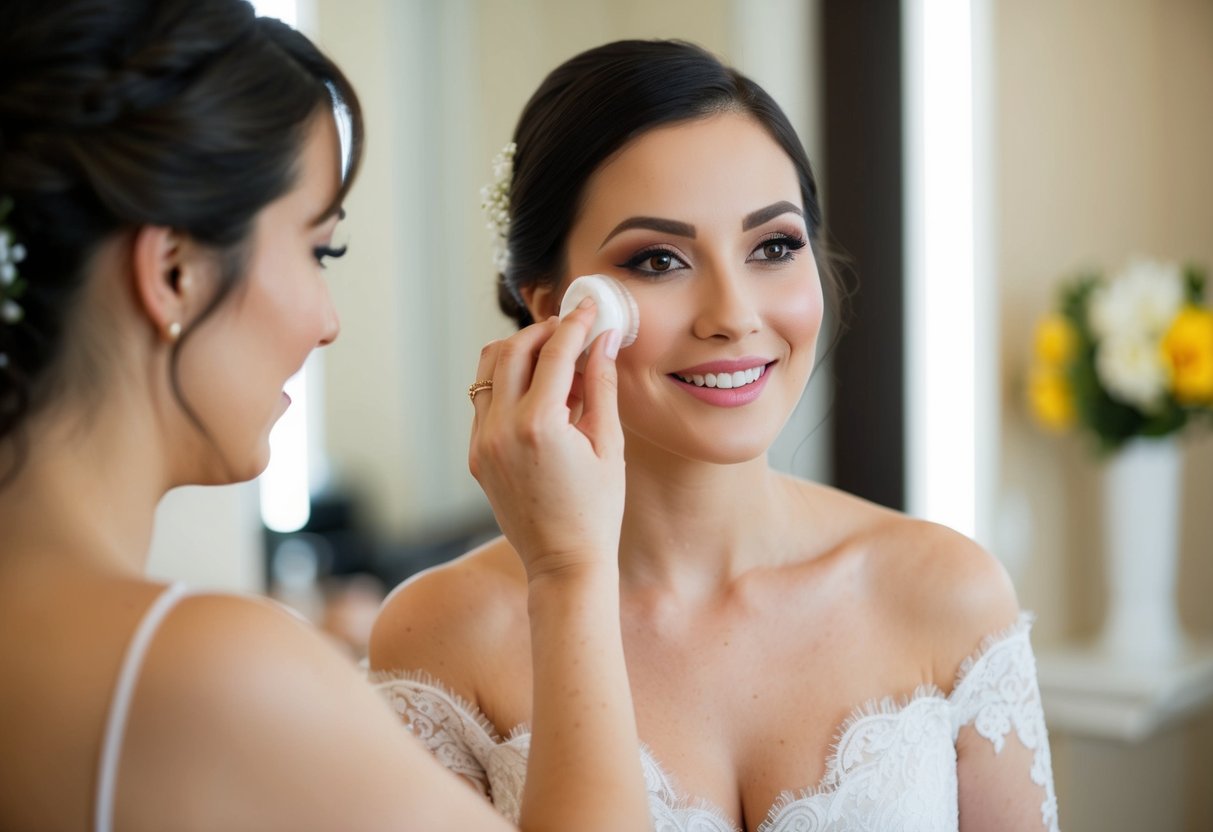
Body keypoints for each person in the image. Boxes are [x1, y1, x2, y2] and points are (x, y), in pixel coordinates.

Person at [370, 39, 1060, 831]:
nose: (732, 314)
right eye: (658, 260)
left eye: (773, 246)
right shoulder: (439, 638)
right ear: (548, 305)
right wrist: (565, 577)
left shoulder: (945, 591)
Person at [0, 2, 651, 830]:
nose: (327, 321)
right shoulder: (204, 672)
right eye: (318, 250)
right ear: (171, 271)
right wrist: (568, 569)